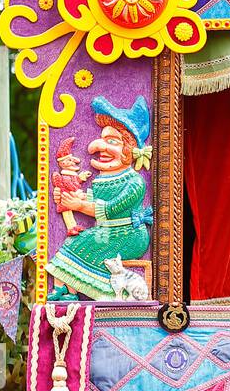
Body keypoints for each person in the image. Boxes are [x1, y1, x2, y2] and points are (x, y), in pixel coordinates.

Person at [48, 96, 153, 301]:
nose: (97, 147)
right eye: (102, 139)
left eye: (111, 141)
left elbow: (110, 209)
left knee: (83, 248)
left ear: (129, 149)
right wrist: (69, 196)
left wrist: (79, 204)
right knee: (73, 244)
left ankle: (106, 292)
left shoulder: (135, 182)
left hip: (128, 235)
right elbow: (89, 198)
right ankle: (66, 291)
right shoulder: (100, 179)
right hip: (106, 231)